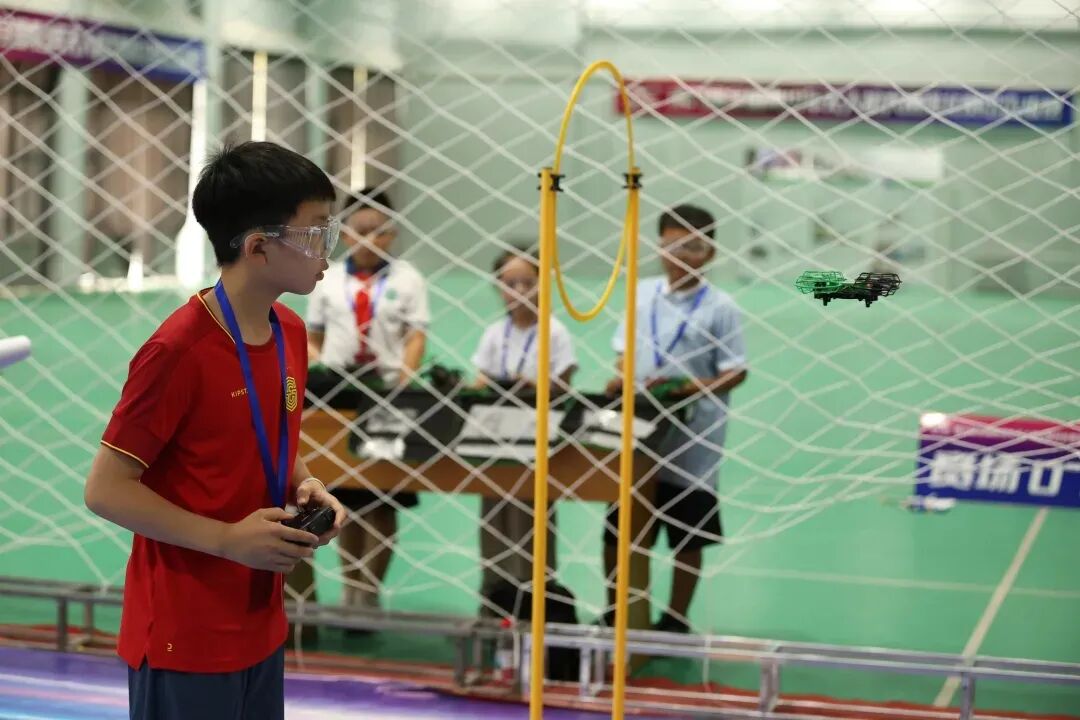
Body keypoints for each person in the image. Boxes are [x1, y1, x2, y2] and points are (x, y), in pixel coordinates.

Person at [84, 140, 347, 720]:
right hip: (185, 634)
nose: (328, 252)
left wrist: (305, 484)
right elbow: (105, 490)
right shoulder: (178, 350)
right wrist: (227, 540)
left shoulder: (289, 331)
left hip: (259, 622)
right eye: (315, 234)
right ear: (258, 247)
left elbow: (269, 439)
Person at [603, 204, 748, 633]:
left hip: (693, 440)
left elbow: (736, 370)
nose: (681, 256)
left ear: (710, 253)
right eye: (672, 245)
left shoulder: (721, 306)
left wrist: (689, 388)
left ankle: (676, 618)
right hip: (639, 431)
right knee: (621, 526)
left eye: (692, 247)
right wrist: (621, 377)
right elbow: (624, 352)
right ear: (659, 247)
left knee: (686, 534)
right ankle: (620, 611)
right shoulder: (640, 293)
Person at [301, 187, 429, 618]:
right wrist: (319, 368)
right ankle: (350, 588)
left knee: (382, 499)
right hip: (338, 398)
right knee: (346, 496)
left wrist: (405, 382)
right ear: (346, 232)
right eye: (361, 229)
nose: (370, 238)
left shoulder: (408, 279)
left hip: (387, 397)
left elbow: (415, 336)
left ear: (392, 234)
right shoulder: (328, 278)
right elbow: (314, 335)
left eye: (379, 230)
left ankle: (370, 590)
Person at [471, 245, 576, 600]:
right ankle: (494, 597)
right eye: (509, 283)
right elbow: (480, 382)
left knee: (531, 518)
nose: (518, 291)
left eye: (527, 283)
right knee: (494, 518)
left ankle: (534, 596)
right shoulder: (494, 333)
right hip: (494, 440)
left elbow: (564, 385)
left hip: (535, 440)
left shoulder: (555, 332)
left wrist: (534, 386)